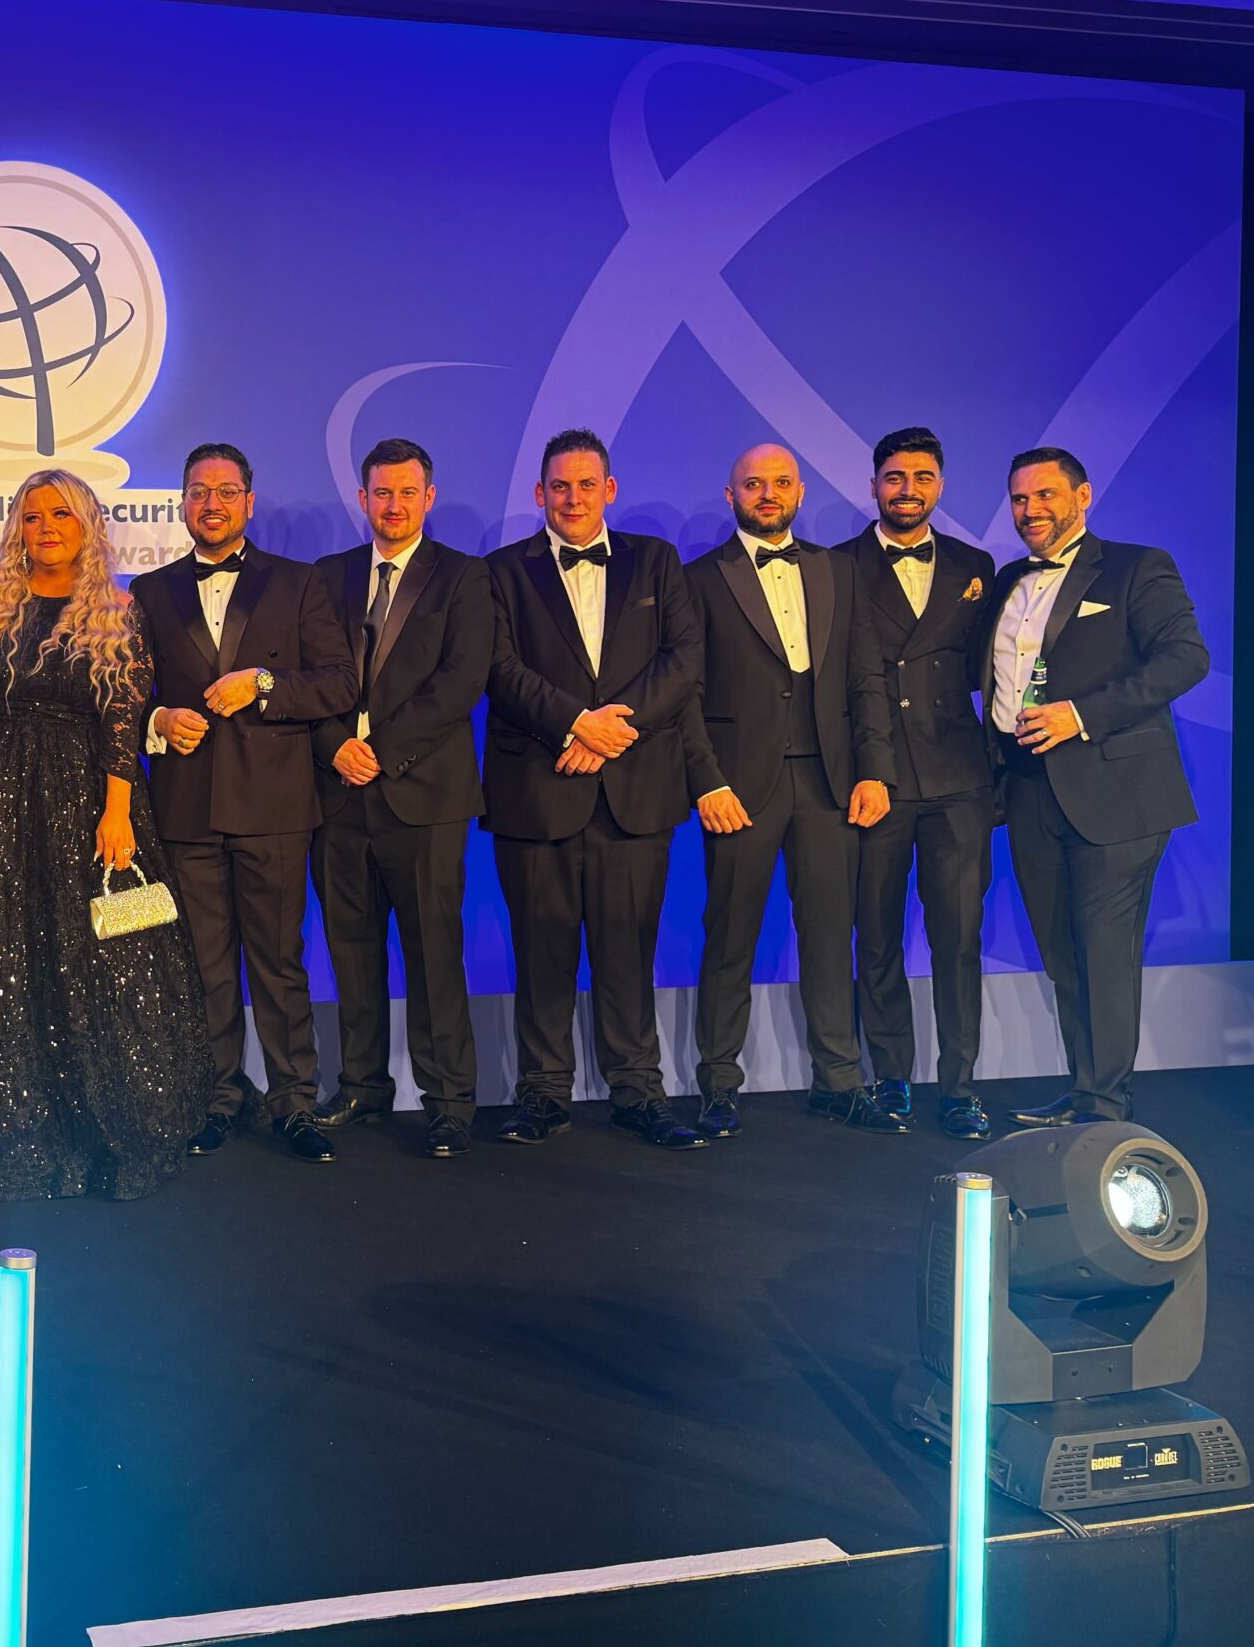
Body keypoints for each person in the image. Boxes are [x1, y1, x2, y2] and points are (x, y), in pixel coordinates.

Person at [0, 472, 214, 1201]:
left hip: (82, 795)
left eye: (61, 515)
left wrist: (117, 810)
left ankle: (100, 1133)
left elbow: (122, 719)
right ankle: (6, 1134)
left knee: (89, 957)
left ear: (87, 526)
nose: (46, 527)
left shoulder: (117, 609)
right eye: (34, 516)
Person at [129, 445, 357, 1165]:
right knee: (205, 967)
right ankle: (217, 1100)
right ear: (183, 503)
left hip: (276, 809)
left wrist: (262, 683)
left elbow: (339, 684)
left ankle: (294, 1103)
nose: (213, 504)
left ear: (250, 503)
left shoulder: (298, 582)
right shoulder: (147, 591)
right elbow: (127, 697)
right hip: (187, 809)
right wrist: (159, 721)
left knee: (279, 964)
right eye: (199, 492)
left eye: (227, 491)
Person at [483, 428, 704, 1151]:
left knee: (629, 955)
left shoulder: (657, 560)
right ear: (538, 493)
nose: (572, 498)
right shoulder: (501, 572)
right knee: (540, 954)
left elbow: (683, 660)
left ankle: (639, 1093)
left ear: (609, 489)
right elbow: (500, 669)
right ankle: (543, 1095)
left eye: (586, 485)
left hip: (634, 795)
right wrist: (576, 724)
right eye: (559, 486)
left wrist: (612, 730)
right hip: (537, 791)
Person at [986, 449, 1208, 1126]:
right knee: (1062, 956)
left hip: (1117, 793)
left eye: (1045, 495)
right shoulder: (1007, 580)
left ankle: (1106, 1105)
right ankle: (1084, 1091)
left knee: (1106, 955)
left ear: (1082, 497)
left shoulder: (1136, 567)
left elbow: (1186, 658)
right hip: (1029, 791)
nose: (1031, 510)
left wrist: (1081, 715)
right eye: (1019, 499)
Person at [681, 443, 892, 1138]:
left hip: (831, 782)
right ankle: (718, 1085)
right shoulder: (699, 579)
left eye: (780, 483)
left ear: (800, 491)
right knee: (730, 936)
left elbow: (866, 679)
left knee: (831, 937)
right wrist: (706, 781)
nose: (767, 494)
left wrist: (874, 769)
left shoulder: (840, 570)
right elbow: (684, 695)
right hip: (740, 788)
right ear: (731, 495)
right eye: (752, 484)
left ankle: (839, 1081)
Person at [308, 439, 492, 1159]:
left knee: (434, 954)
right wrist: (334, 744)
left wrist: (382, 750)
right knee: (351, 952)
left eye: (407, 493)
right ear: (363, 499)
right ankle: (362, 1086)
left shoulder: (464, 576)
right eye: (382, 493)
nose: (394, 505)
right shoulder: (327, 576)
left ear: (429, 497)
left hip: (426, 797)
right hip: (338, 797)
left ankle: (448, 1101)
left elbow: (462, 680)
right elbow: (304, 676)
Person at [848, 427, 998, 1141]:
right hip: (875, 778)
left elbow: (993, 668)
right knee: (876, 934)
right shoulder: (839, 565)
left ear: (940, 485)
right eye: (895, 477)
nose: (908, 490)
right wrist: (864, 770)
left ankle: (961, 1087)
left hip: (958, 777)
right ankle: (891, 1078)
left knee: (958, 939)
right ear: (874, 483)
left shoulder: (976, 565)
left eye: (922, 478)